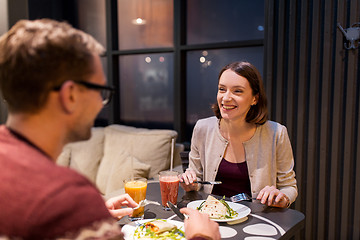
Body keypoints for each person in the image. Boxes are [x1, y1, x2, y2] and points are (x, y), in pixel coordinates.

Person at [0, 19, 219, 240]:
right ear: (70, 96)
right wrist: (202, 237)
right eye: (100, 90)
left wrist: (94, 218)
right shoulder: (67, 198)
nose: (101, 103)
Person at [180, 61, 298, 208]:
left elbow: (289, 187)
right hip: (210, 218)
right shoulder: (202, 128)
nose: (226, 98)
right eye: (222, 89)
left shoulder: (276, 133)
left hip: (257, 221)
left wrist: (282, 197)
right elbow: (196, 179)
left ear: (255, 98)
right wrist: (190, 183)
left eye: (237, 91)